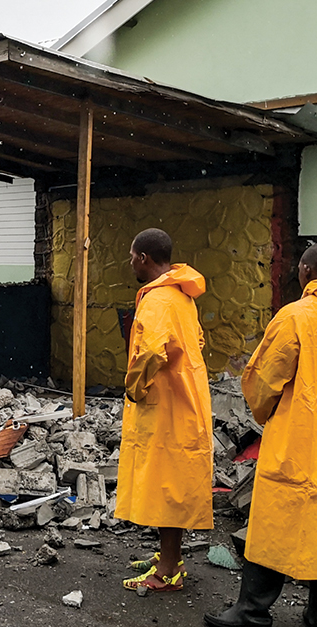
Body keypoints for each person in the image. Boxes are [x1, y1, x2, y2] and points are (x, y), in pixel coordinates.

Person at [205, 242, 317, 627]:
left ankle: (253, 609)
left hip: (299, 437)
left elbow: (263, 381)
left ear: (305, 271)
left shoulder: (296, 317)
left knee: (275, 519)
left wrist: (265, 411)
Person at [117, 228, 214, 592]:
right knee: (168, 481)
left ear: (144, 258)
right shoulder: (181, 296)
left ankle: (169, 570)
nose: (130, 263)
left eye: (132, 256)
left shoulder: (158, 301)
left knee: (166, 485)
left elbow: (154, 352)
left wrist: (135, 386)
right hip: (185, 398)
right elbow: (198, 341)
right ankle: (166, 555)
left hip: (167, 406)